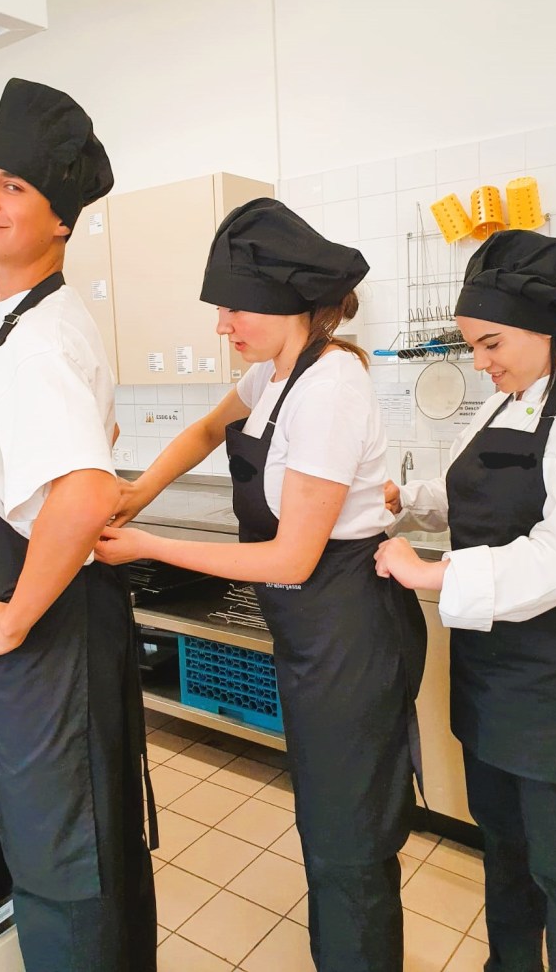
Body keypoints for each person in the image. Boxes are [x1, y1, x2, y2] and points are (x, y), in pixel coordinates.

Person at [96, 198, 427, 972]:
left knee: (349, 838)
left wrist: (147, 545)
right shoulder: (271, 376)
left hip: (348, 631)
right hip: (311, 637)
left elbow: (290, 559)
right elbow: (203, 430)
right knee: (327, 818)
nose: (221, 325)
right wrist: (136, 492)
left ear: (286, 303)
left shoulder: (330, 387)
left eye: (233, 308)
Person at [0, 77, 157, 972]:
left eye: (14, 187)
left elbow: (80, 493)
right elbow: (90, 449)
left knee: (62, 859)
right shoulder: (36, 319)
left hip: (47, 640)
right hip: (63, 632)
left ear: (61, 220)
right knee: (86, 843)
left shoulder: (32, 342)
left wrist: (13, 620)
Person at [375, 229, 556, 972]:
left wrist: (432, 575)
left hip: (555, 691)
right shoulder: (498, 405)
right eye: (471, 346)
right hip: (489, 679)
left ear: (543, 327)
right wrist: (405, 501)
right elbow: (460, 490)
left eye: (492, 344)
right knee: (504, 848)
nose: (481, 362)